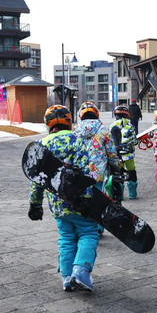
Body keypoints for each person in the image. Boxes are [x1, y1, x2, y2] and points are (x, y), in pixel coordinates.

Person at [28, 105, 98, 292]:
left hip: (57, 204)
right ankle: (81, 271)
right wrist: (86, 197)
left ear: (47, 124)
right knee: (88, 232)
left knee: (66, 237)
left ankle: (67, 278)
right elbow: (86, 171)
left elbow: (37, 179)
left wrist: (35, 204)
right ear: (69, 121)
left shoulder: (41, 145)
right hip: (78, 200)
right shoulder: (76, 140)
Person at [75, 102, 120, 237]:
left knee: (84, 198)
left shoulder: (76, 130)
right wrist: (116, 166)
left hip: (82, 172)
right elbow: (111, 152)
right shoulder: (103, 130)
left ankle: (85, 227)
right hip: (99, 173)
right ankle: (99, 228)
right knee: (99, 198)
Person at [109, 105, 138, 199]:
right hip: (128, 155)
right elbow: (134, 141)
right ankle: (132, 194)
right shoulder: (130, 127)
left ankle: (120, 195)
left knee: (119, 174)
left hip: (117, 155)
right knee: (132, 171)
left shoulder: (111, 126)